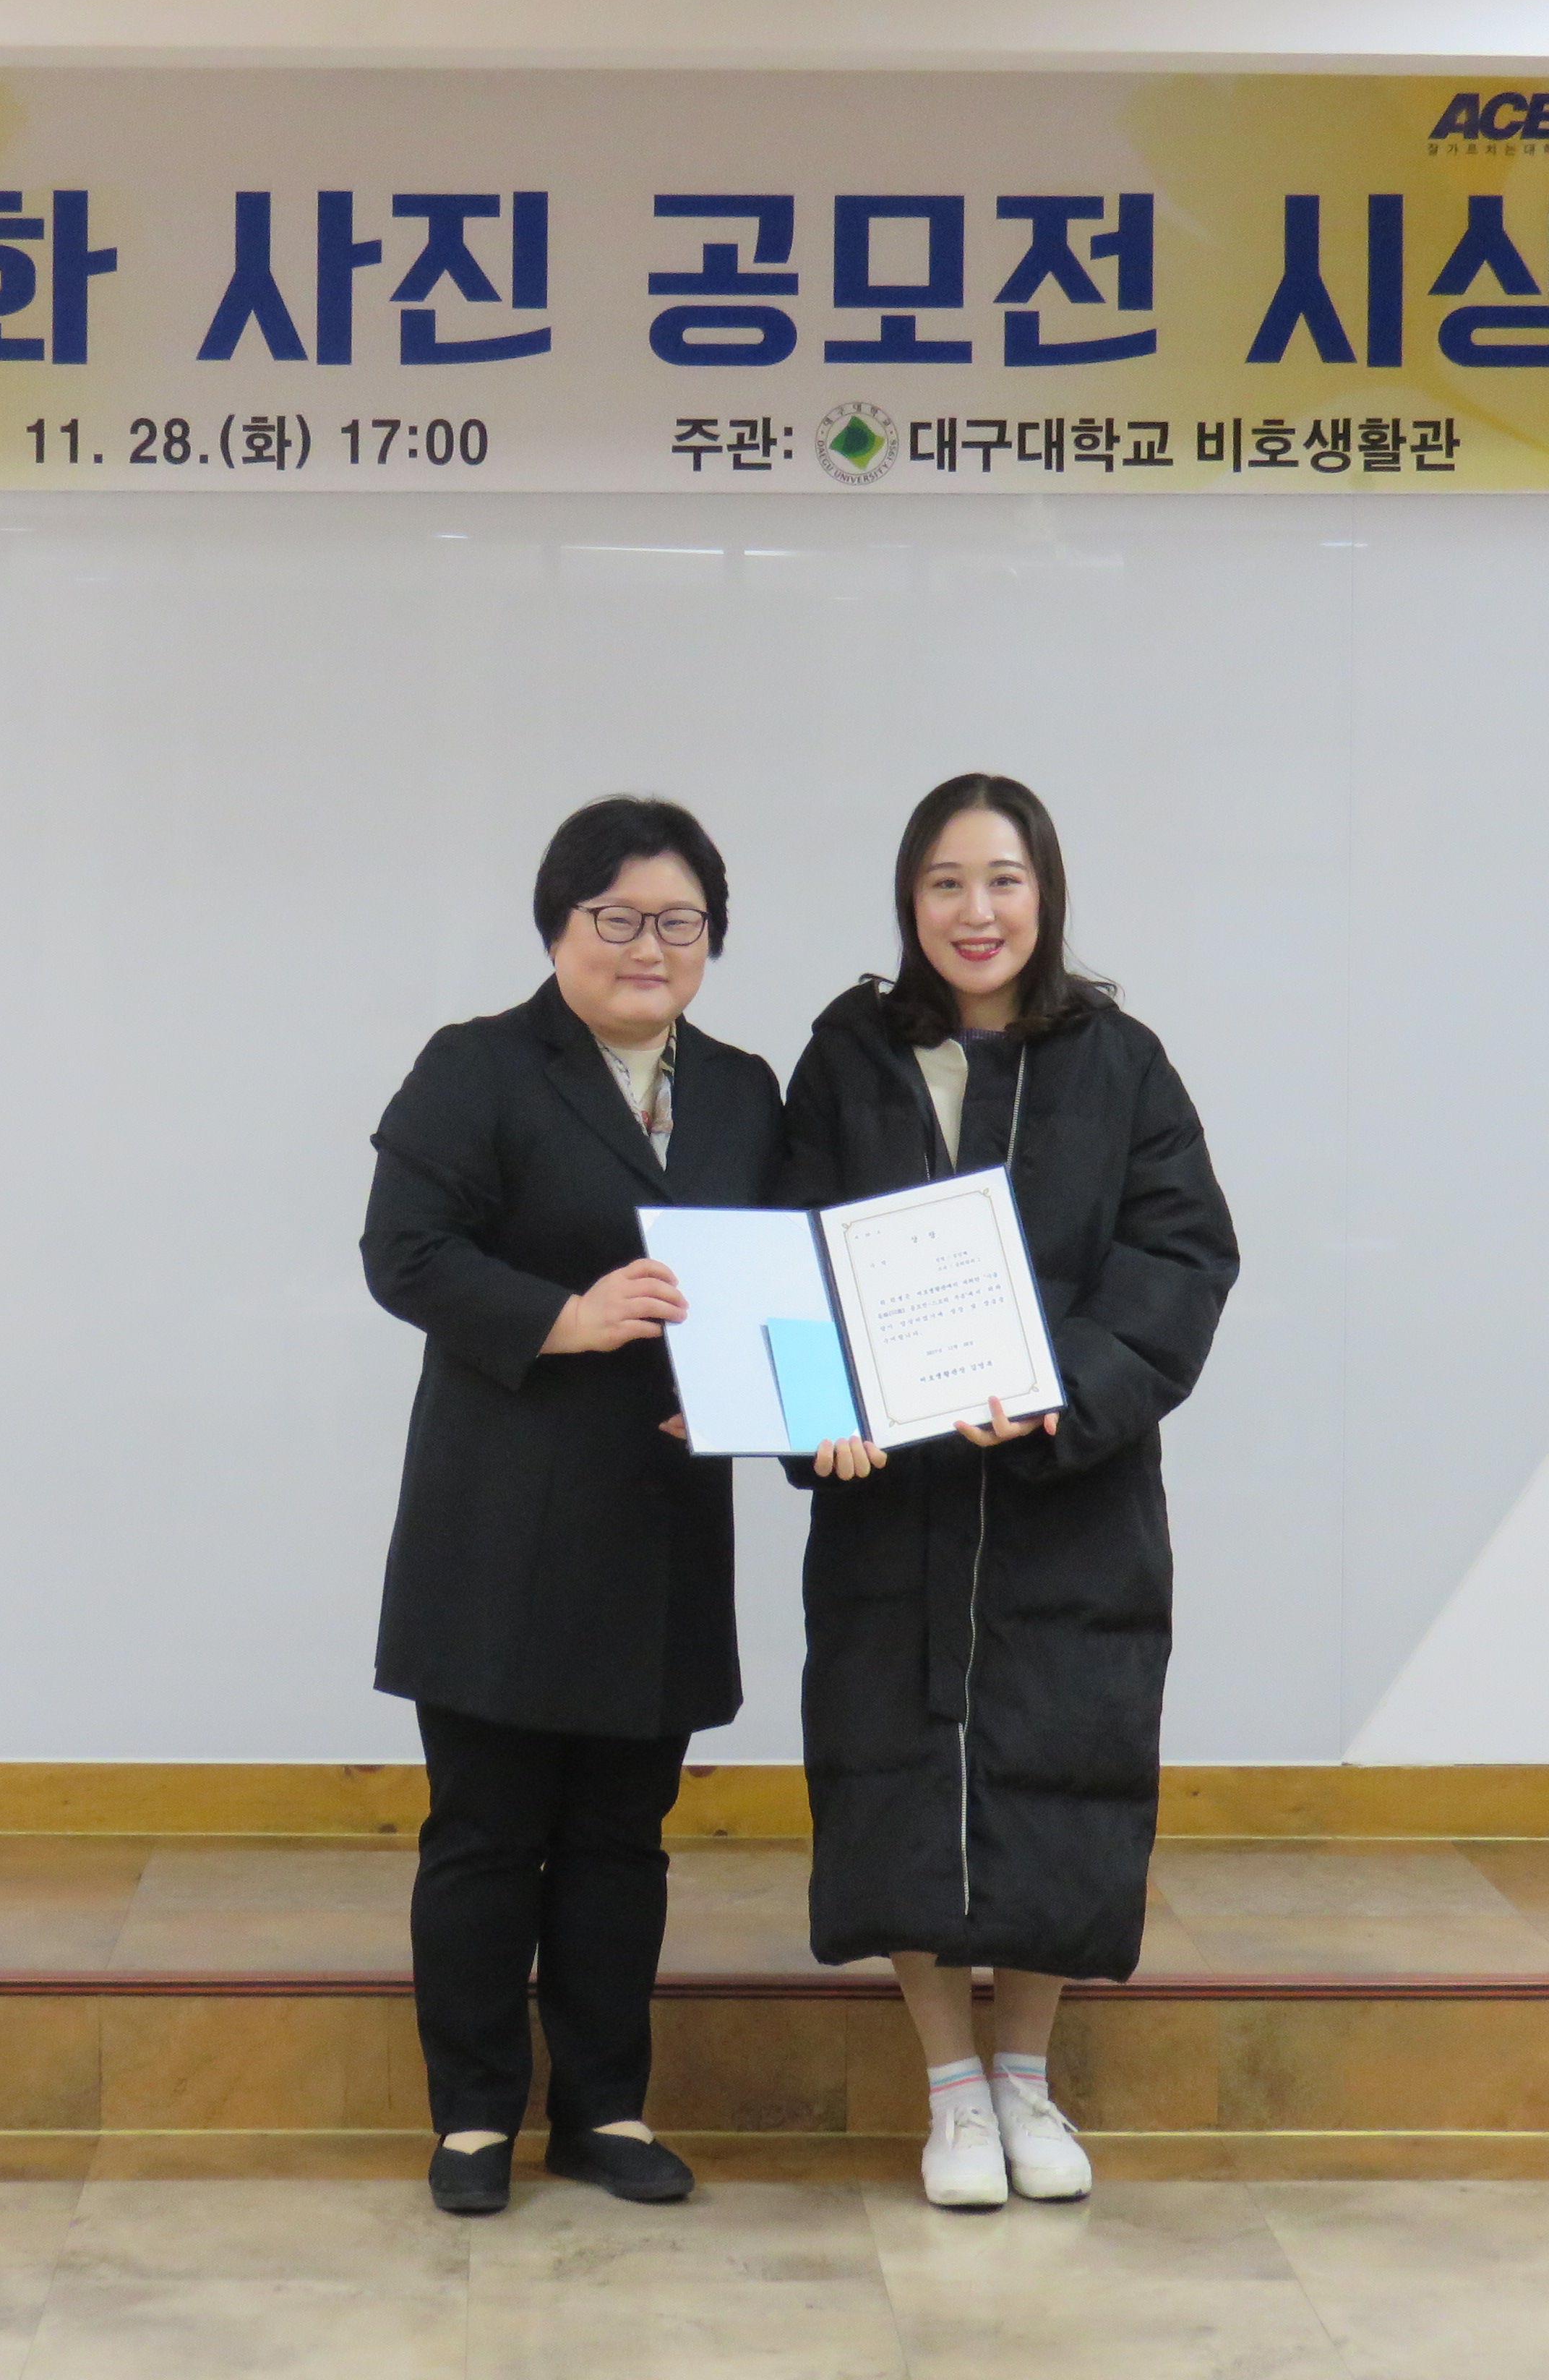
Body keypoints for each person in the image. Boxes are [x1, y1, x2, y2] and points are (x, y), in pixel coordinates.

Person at [781, 773, 1238, 2210]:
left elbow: (1181, 1259)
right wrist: (817, 1413)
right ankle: (949, 2090)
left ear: (1046, 893)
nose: (975, 911)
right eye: (945, 883)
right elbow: (789, 1255)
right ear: (908, 902)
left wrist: (1063, 1393)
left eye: (1003, 880)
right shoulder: (848, 1058)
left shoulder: (1121, 1063)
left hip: (1069, 1499)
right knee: (899, 1777)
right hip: (895, 1504)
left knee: (1061, 1773)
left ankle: (1028, 2077)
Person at [362, 796, 784, 2218]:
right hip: (500, 1515)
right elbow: (405, 1253)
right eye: (618, 917)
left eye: (680, 921)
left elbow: (774, 1274)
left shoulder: (744, 1090)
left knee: (622, 1834)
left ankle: (606, 2109)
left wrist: (752, 1393)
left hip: (661, 1514)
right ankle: (475, 2117)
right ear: (559, 926)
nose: (648, 946)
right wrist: (570, 1317)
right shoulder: (478, 1066)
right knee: (485, 1831)